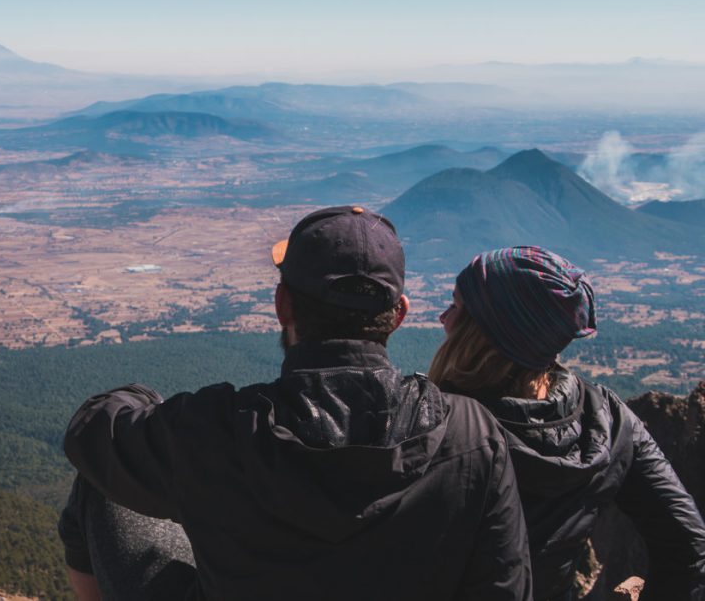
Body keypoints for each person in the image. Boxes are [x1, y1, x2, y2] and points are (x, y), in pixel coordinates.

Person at [60, 206, 533, 601]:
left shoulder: (219, 430)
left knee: (103, 481)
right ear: (399, 315)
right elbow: (504, 588)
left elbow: (89, 436)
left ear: (282, 304)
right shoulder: (472, 435)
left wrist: (139, 398)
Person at [429, 246, 705, 601]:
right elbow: (689, 546)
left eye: (456, 306)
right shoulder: (607, 420)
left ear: (483, 333)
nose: (443, 317)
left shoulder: (437, 426)